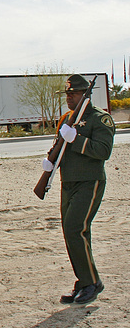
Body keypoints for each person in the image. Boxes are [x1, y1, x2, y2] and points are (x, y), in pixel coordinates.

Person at [45, 74, 115, 305]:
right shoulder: (67, 118)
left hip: (89, 181)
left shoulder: (99, 119)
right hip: (69, 182)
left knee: (77, 229)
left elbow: (103, 151)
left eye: (73, 94)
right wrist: (50, 162)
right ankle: (84, 281)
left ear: (85, 95)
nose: (68, 97)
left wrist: (76, 139)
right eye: (67, 94)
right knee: (70, 232)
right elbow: (59, 146)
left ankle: (92, 282)